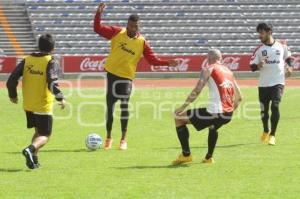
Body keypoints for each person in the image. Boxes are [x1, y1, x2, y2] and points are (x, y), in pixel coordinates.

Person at [94, 2, 178, 150]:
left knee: (124, 105)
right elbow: (97, 28)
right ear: (127, 25)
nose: (133, 28)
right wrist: (98, 13)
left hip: (126, 78)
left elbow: (153, 60)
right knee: (110, 106)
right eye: (131, 26)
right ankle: (108, 137)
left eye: (136, 26)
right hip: (112, 74)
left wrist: (167, 63)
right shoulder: (117, 32)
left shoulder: (142, 42)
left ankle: (123, 139)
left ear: (139, 26)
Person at [172, 49, 242, 165]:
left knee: (179, 119)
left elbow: (198, 89)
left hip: (216, 113)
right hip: (228, 115)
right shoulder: (229, 72)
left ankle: (186, 155)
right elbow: (240, 97)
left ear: (208, 59)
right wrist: (228, 111)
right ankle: (209, 158)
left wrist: (182, 107)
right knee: (213, 125)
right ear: (221, 58)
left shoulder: (208, 69)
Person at [6, 34, 65, 169]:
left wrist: (13, 95)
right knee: (45, 135)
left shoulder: (27, 60)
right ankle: (30, 149)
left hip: (28, 105)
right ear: (53, 47)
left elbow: (11, 79)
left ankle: (34, 160)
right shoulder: (51, 60)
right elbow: (52, 81)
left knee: (38, 131)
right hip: (42, 105)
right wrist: (60, 97)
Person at [250, 23, 293, 145]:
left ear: (269, 32)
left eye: (261, 33)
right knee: (264, 112)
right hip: (263, 84)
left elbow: (289, 58)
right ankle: (265, 130)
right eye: (259, 33)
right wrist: (258, 65)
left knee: (275, 105)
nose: (260, 36)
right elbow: (252, 66)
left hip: (278, 82)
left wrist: (290, 67)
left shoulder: (281, 46)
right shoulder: (259, 50)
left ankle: (273, 134)